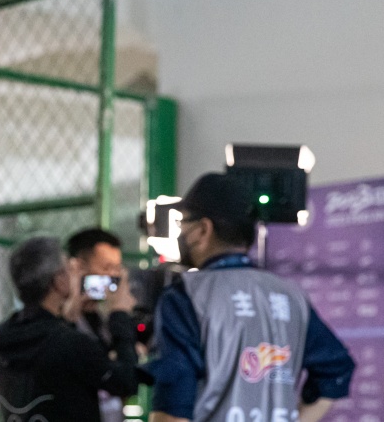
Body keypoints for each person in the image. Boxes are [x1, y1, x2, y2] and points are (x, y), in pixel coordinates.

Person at [146, 172, 355, 422]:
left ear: (203, 229)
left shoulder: (186, 296)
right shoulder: (291, 296)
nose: (180, 233)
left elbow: (173, 407)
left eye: (183, 224)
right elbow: (337, 370)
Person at [0, 236, 150, 422]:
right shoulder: (69, 342)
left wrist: (68, 319)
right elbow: (126, 382)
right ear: (59, 281)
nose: (76, 275)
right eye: (70, 269)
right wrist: (119, 314)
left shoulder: (1, 336)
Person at [66, 227, 129, 422]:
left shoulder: (105, 321)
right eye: (106, 268)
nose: (113, 277)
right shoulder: (61, 324)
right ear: (78, 268)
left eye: (117, 269)